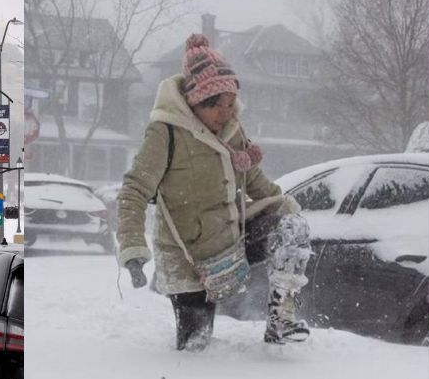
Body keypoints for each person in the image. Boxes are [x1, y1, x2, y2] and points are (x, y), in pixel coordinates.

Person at [116, 34, 312, 351]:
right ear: (196, 101)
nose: (225, 112)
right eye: (216, 105)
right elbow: (134, 190)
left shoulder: (232, 130)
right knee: (196, 346)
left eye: (229, 103)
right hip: (187, 257)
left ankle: (282, 319)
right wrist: (133, 247)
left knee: (291, 227)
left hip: (231, 240)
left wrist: (290, 208)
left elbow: (256, 182)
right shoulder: (165, 131)